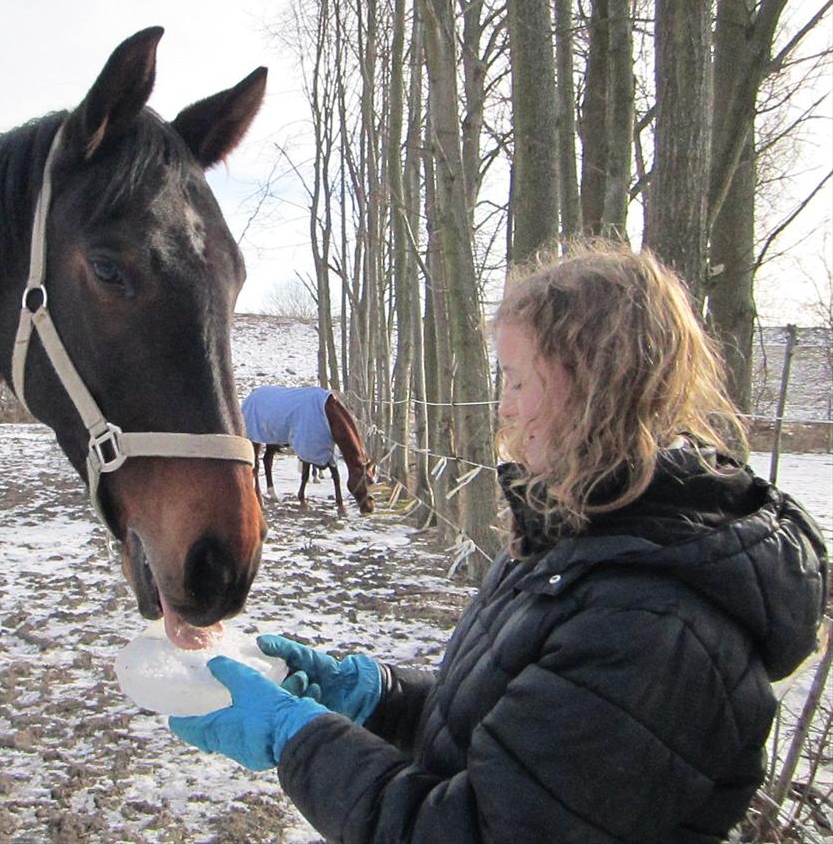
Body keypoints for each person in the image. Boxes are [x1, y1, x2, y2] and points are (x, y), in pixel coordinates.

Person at [169, 241, 828, 843]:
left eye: (517, 380)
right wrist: (376, 695)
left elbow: (471, 830)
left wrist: (299, 737)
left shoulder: (655, 627)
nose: (505, 409)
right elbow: (515, 731)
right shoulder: (582, 543)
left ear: (595, 386)